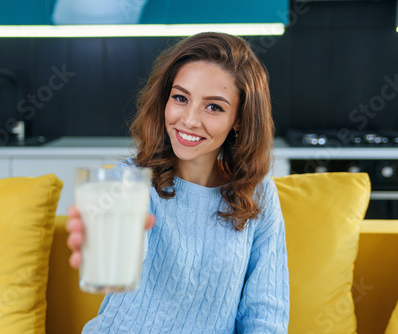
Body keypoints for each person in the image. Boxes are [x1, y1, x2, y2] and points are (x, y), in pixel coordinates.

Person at [66, 32, 289, 333]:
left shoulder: (258, 195)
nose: (189, 120)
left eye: (214, 107)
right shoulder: (129, 180)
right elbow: (111, 251)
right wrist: (105, 239)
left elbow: (266, 315)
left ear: (238, 119)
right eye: (181, 98)